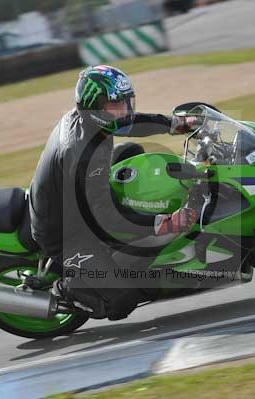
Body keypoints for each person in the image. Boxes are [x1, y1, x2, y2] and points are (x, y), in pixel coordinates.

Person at [29, 65, 197, 321]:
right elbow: (106, 218)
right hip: (66, 231)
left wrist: (175, 124)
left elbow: (133, 124)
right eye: (115, 105)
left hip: (74, 195)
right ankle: (67, 288)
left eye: (126, 103)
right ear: (93, 106)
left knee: (131, 150)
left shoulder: (91, 120)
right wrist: (165, 222)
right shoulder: (83, 151)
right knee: (123, 301)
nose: (124, 111)